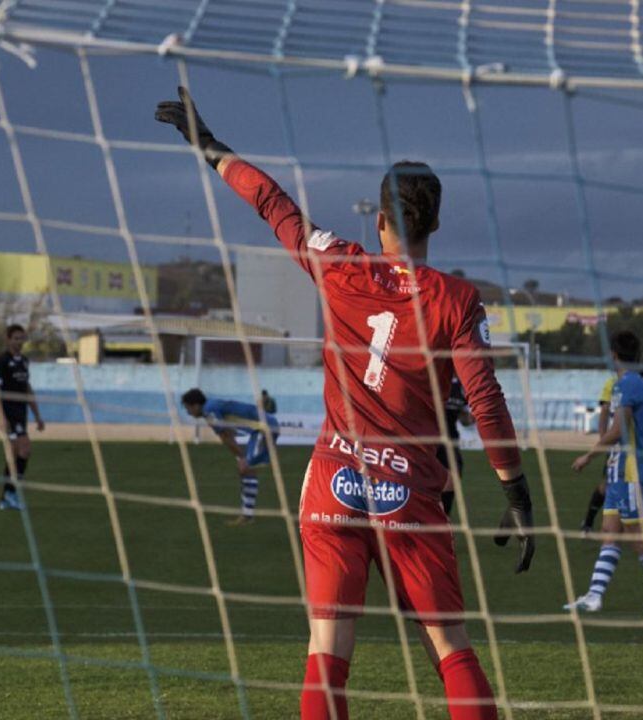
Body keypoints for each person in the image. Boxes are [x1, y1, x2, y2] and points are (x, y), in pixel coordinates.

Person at [157, 87, 535, 720]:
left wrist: (211, 147)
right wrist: (516, 490)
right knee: (449, 647)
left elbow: (273, 204)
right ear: (435, 225)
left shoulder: (340, 265)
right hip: (407, 489)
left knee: (328, 650)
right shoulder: (456, 300)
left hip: (335, 481)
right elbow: (484, 398)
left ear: (379, 220)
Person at [567, 331, 643, 613]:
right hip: (620, 472)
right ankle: (594, 596)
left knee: (637, 539)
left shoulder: (623, 386)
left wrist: (588, 456)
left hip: (629, 472)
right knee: (610, 532)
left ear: (614, 355)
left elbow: (618, 430)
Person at [581, 369, 643, 538]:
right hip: (618, 448)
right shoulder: (613, 383)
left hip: (642, 449)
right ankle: (587, 523)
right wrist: (603, 442)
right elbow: (605, 413)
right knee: (606, 487)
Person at [181, 388, 280, 525]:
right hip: (261, 428)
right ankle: (247, 515)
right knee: (246, 469)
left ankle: (247, 516)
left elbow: (225, 435)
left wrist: (241, 457)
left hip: (264, 428)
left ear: (196, 405)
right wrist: (240, 457)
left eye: (188, 408)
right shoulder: (211, 406)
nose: (188, 412)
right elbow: (228, 432)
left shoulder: (209, 411)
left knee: (246, 468)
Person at [0, 324, 44, 510]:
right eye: (16, 338)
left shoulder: (24, 362)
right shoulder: (1, 362)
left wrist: (37, 415)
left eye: (22, 338)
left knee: (15, 455)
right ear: (8, 340)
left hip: (21, 414)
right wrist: (1, 417)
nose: (20, 342)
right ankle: (11, 494)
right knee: (25, 449)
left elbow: (27, 389)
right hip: (8, 414)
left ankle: (6, 497)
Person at [435, 376, 474, 517]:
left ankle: (443, 518)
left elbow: (464, 419)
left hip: (450, 441)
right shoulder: (431, 377)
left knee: (453, 477)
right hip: (427, 440)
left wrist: (476, 416)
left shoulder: (461, 386)